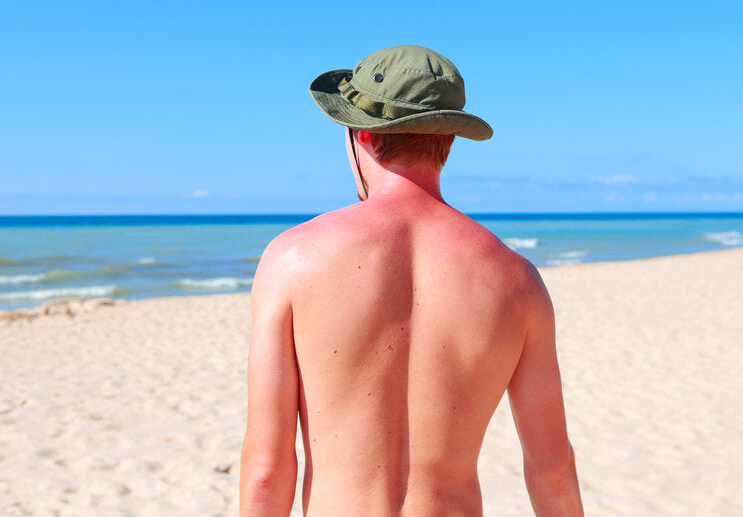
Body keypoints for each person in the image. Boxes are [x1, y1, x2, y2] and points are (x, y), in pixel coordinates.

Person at [240, 45, 582, 515]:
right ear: (449, 137)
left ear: (358, 134)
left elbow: (268, 468)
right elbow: (553, 470)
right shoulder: (517, 280)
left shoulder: (293, 259)